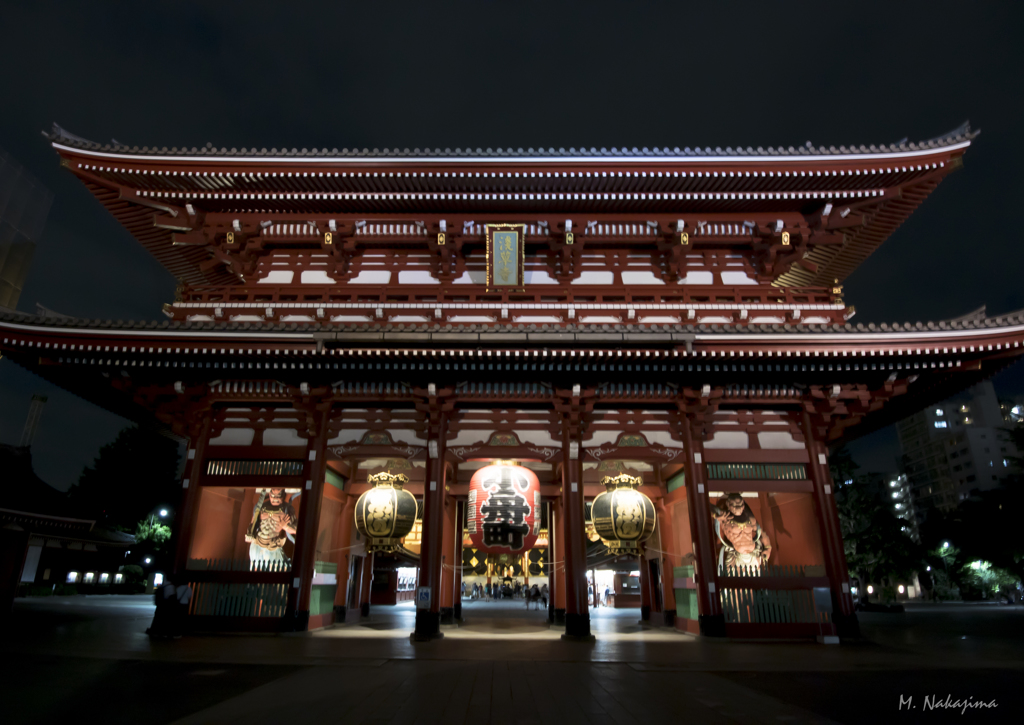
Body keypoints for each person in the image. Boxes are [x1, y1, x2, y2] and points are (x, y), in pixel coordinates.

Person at [709, 493, 772, 572]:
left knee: (755, 582)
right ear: (728, 504)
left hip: (754, 555)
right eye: (735, 505)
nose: (737, 508)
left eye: (740, 505)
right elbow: (706, 505)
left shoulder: (750, 518)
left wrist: (768, 548)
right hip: (736, 557)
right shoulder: (725, 517)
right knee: (736, 582)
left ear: (743, 505)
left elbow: (762, 533)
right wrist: (715, 515)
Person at [245, 488, 298, 569]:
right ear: (269, 495)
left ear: (283, 496)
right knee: (254, 569)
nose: (275, 499)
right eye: (273, 496)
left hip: (272, 546)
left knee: (276, 572)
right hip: (257, 543)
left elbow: (296, 529)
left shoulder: (286, 510)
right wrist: (249, 533)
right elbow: (253, 523)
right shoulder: (262, 507)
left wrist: (285, 527)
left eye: (278, 496)